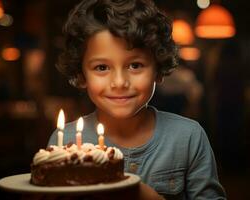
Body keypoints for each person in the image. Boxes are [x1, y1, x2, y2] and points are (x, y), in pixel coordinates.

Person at [47, 0, 226, 199]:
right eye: (101, 67)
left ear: (158, 69)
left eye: (135, 65)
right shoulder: (63, 143)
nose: (120, 82)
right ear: (81, 75)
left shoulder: (189, 138)